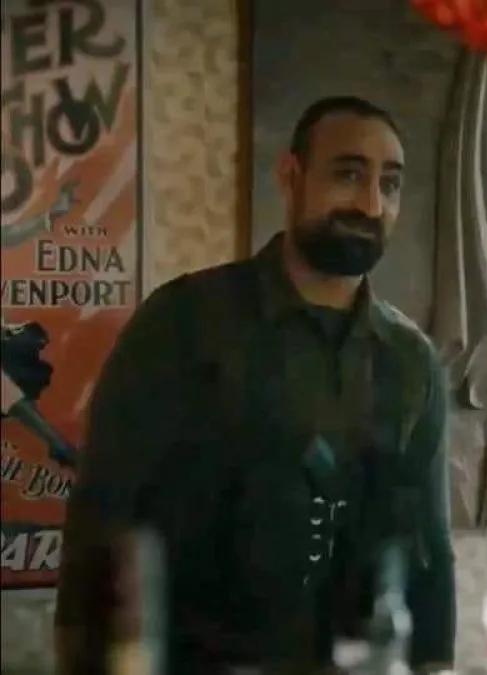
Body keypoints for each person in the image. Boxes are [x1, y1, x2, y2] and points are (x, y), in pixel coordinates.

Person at [54, 96, 455, 674]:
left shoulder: (411, 362)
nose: (371, 204)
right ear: (291, 176)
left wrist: (436, 665)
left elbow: (429, 560)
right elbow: (102, 523)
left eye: (389, 184)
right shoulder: (183, 323)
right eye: (348, 174)